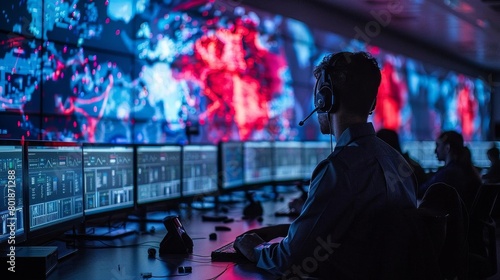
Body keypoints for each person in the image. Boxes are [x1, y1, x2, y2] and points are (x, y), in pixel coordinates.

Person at [234, 52, 433, 279]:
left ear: (325, 100)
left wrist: (255, 249)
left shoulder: (339, 169)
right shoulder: (397, 161)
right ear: (373, 103)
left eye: (318, 96)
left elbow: (289, 259)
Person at [418, 131, 481, 210]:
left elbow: (422, 192)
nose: (435, 151)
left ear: (447, 148)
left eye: (437, 146)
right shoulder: (466, 170)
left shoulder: (449, 173)